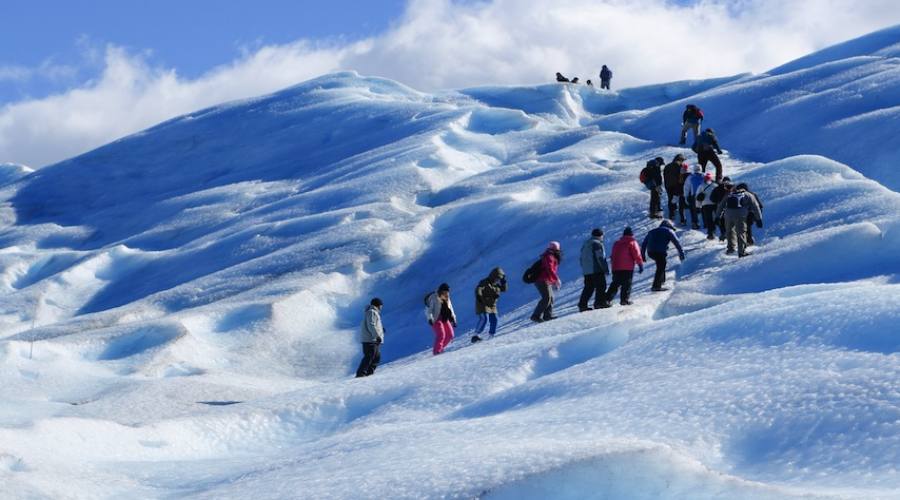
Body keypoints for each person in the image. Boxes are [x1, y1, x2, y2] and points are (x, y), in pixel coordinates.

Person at [716, 184, 763, 257]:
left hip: (728, 215)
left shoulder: (730, 194)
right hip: (740, 215)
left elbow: (721, 205)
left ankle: (730, 249)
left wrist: (717, 216)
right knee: (741, 232)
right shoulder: (748, 194)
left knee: (729, 231)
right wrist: (759, 219)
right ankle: (742, 252)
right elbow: (756, 207)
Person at [641, 220, 685, 292]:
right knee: (661, 265)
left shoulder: (652, 231)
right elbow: (677, 243)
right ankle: (656, 286)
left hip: (651, 252)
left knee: (661, 263)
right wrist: (681, 253)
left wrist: (642, 255)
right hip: (660, 252)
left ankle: (662, 280)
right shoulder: (669, 231)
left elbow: (644, 244)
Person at [605, 227, 643, 306]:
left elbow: (613, 255)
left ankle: (606, 300)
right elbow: (636, 254)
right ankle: (624, 300)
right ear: (632, 234)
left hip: (616, 267)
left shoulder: (617, 243)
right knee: (627, 284)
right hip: (627, 267)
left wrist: (613, 266)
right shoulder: (632, 242)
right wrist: (640, 264)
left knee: (615, 284)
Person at [472, 267, 508, 343]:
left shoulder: (496, 285)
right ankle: (475, 335)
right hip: (482, 303)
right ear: (493, 276)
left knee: (494, 319)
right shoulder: (485, 282)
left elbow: (504, 289)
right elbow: (479, 288)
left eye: (499, 279)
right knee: (484, 319)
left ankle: (491, 335)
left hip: (492, 305)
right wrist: (478, 295)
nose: (497, 280)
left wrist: (503, 281)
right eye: (497, 278)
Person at [578, 228, 610, 311]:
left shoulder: (586, 243)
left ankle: (582, 305)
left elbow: (581, 258)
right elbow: (600, 257)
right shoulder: (597, 244)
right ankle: (599, 303)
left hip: (586, 270)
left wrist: (584, 268)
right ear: (600, 235)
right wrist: (605, 268)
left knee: (588, 287)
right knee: (601, 286)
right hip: (596, 269)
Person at [531, 241, 562, 322]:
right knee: (547, 297)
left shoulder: (549, 255)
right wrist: (556, 279)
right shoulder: (549, 256)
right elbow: (550, 269)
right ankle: (535, 316)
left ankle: (547, 315)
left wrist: (554, 279)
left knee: (551, 297)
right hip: (542, 280)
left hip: (545, 279)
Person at [356, 298, 384, 378]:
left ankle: (369, 374)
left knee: (376, 357)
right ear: (378, 305)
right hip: (370, 339)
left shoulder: (373, 312)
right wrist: (377, 336)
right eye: (381, 305)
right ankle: (361, 374)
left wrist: (381, 330)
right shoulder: (372, 312)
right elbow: (371, 324)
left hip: (372, 339)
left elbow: (374, 324)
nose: (382, 307)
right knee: (369, 356)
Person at [426, 283, 457, 355]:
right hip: (435, 319)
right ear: (441, 291)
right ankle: (436, 351)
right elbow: (429, 310)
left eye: (447, 292)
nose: (446, 293)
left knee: (450, 335)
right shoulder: (434, 297)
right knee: (441, 334)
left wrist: (454, 319)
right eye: (445, 292)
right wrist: (430, 318)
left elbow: (450, 309)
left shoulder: (447, 298)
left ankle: (440, 348)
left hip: (444, 318)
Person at [663, 154, 688, 225]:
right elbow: (682, 177)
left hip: (668, 185)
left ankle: (671, 215)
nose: (683, 162)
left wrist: (666, 185)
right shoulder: (680, 166)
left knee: (670, 199)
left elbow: (664, 176)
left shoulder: (667, 166)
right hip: (677, 186)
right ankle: (682, 219)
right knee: (680, 200)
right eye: (682, 160)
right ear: (680, 160)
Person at [695, 172, 719, 240]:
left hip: (705, 205)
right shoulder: (715, 185)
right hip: (715, 204)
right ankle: (715, 230)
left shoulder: (701, 186)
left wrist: (698, 207)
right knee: (715, 218)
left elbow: (698, 197)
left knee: (708, 219)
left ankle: (710, 233)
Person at [709, 177, 733, 241]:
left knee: (721, 221)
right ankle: (730, 236)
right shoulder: (732, 189)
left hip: (720, 206)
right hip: (731, 208)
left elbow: (712, 198)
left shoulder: (717, 188)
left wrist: (717, 201)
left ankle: (723, 233)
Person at [682, 164, 705, 230]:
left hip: (694, 195)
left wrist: (686, 196)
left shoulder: (690, 177)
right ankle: (706, 224)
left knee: (693, 210)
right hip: (703, 195)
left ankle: (695, 223)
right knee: (704, 210)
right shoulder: (704, 175)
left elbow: (686, 187)